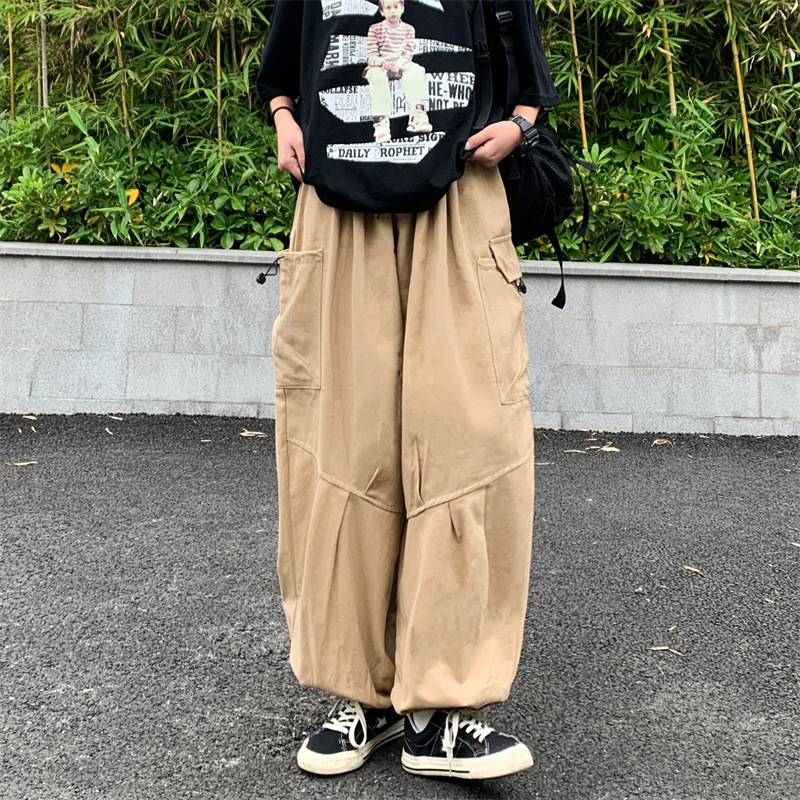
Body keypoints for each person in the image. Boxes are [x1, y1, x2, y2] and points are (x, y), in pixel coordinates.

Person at [256, 0, 561, 781]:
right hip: (337, 209)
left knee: (466, 438)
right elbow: (282, 64)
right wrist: (285, 119)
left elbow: (531, 77)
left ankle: (441, 707)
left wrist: (518, 127)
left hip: (460, 200)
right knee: (344, 446)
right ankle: (363, 694)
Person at [364, 0, 432, 142]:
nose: (393, 11)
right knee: (377, 78)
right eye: (388, 7)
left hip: (401, 65)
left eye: (396, 7)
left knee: (416, 70)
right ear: (382, 11)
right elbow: (371, 55)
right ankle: (381, 122)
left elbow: (408, 53)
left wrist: (399, 64)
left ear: (402, 8)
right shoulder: (375, 29)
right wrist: (382, 63)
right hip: (379, 66)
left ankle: (417, 114)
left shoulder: (408, 29)